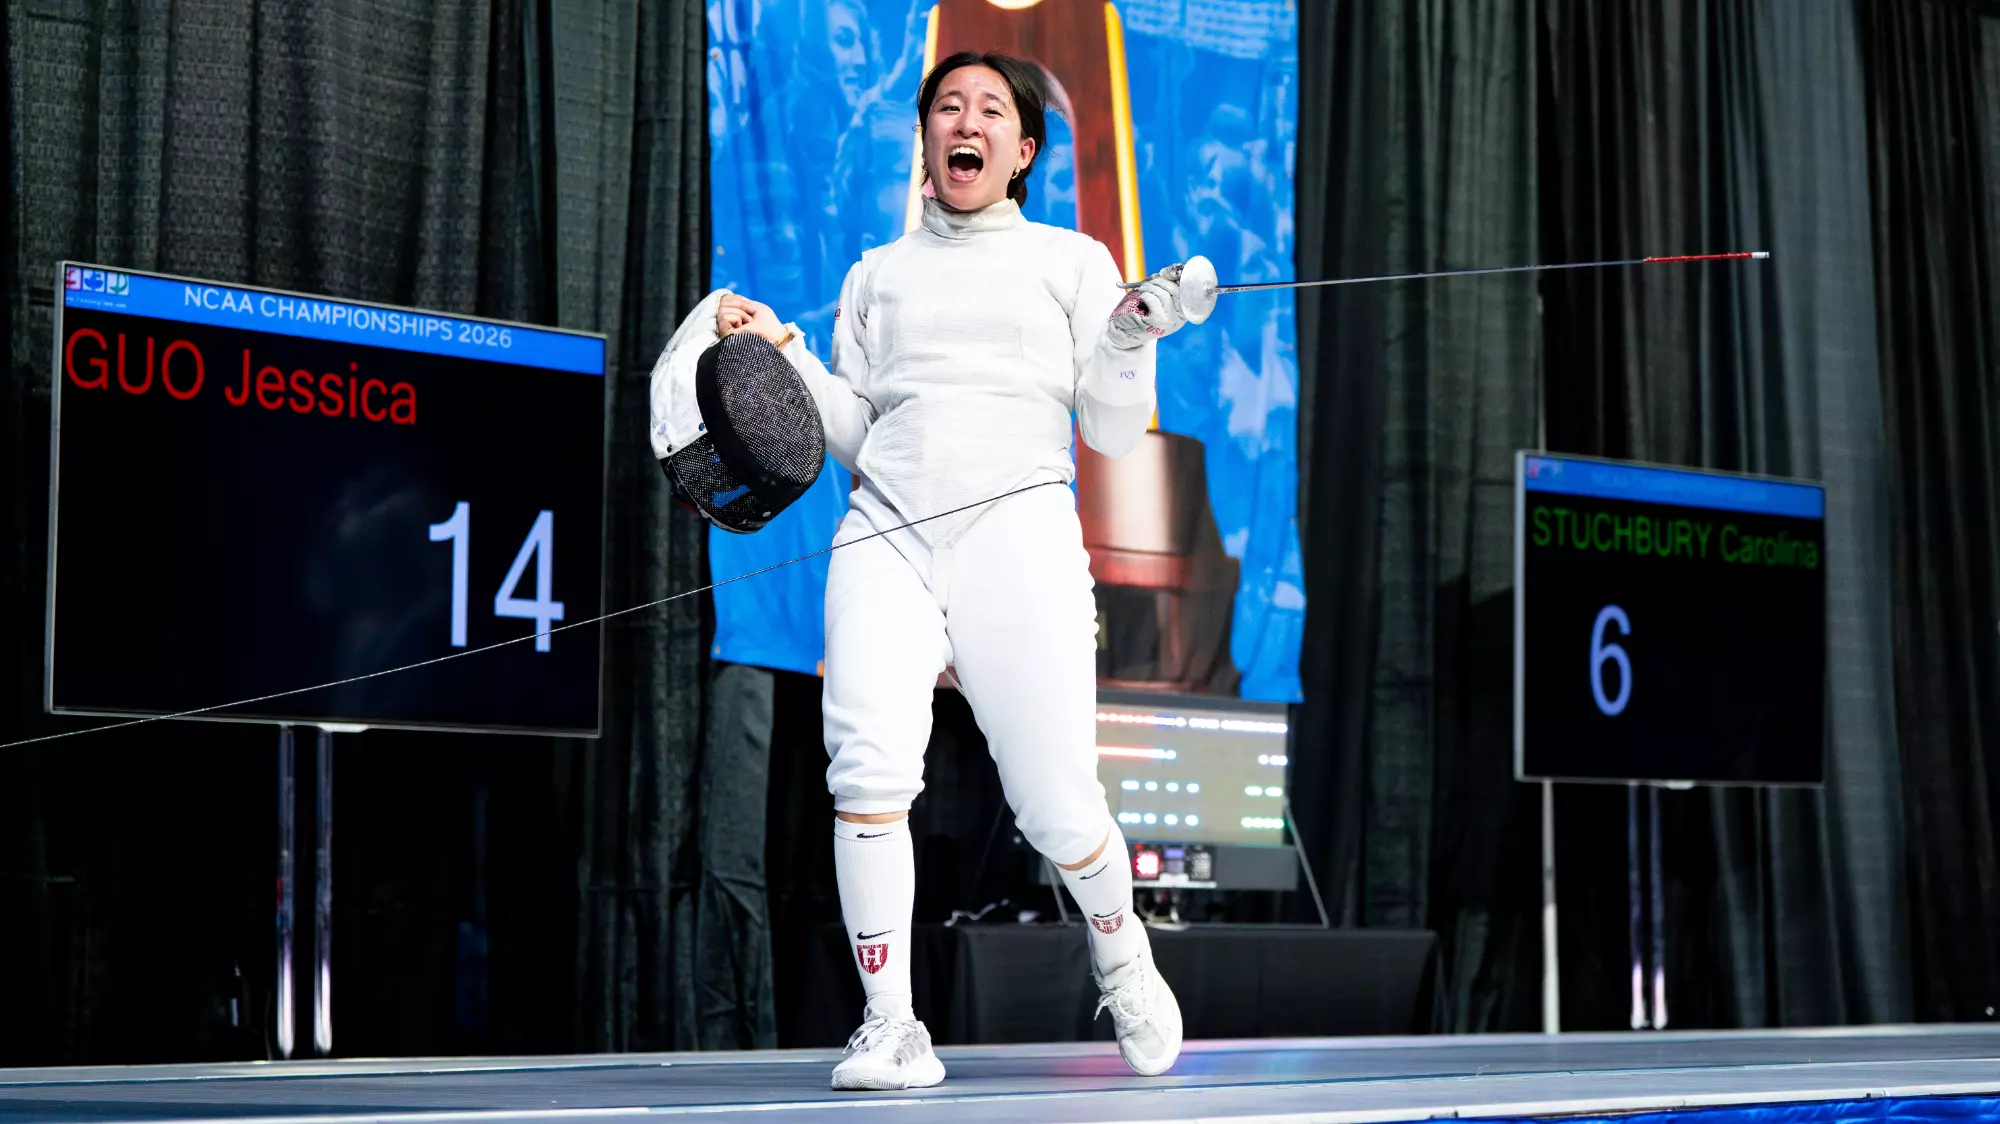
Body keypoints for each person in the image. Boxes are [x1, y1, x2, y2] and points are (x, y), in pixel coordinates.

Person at [717, 51, 1196, 1091]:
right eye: (946, 106)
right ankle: (889, 1022)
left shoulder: (1072, 260)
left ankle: (1121, 953)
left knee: (1058, 802)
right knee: (866, 768)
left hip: (1016, 533)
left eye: (989, 109)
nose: (963, 121)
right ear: (926, 137)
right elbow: (853, 431)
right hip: (886, 530)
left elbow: (1111, 431)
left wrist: (1126, 339)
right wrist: (785, 355)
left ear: (1022, 150)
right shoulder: (874, 276)